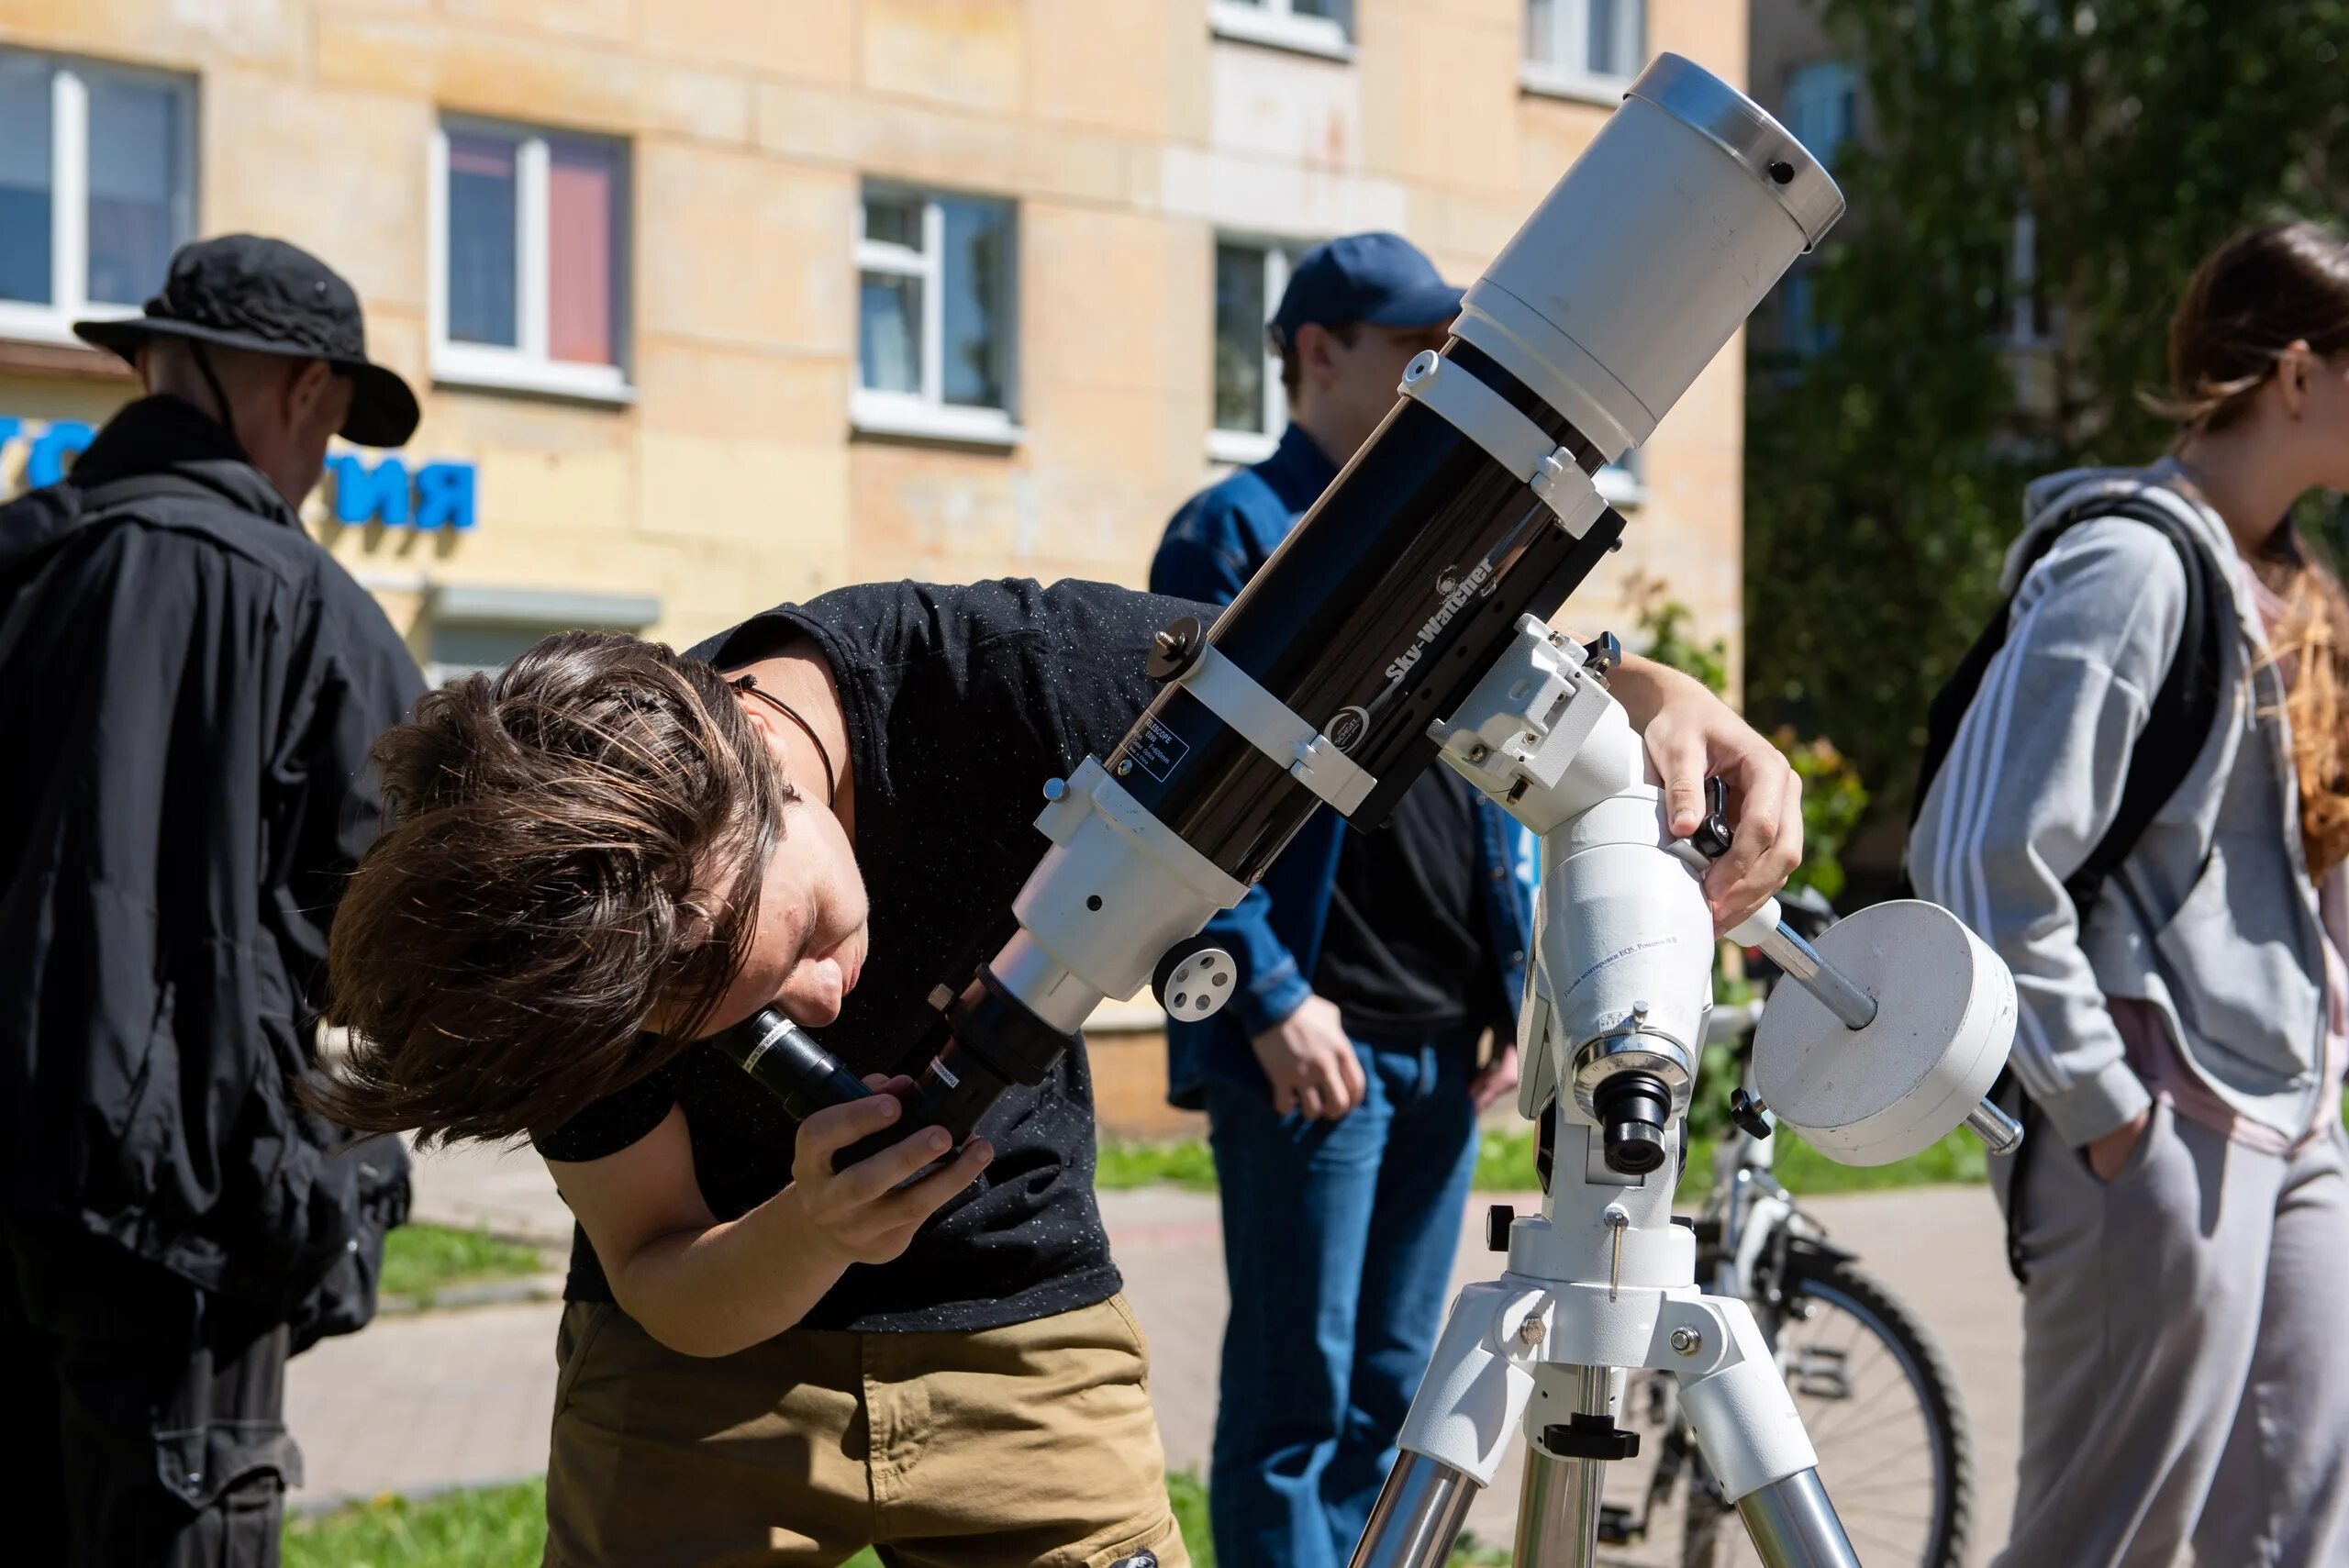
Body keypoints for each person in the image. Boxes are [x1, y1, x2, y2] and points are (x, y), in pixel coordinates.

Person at [313, 567, 1802, 1567]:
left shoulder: (1024, 678)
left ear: (748, 779)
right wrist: (812, 1229)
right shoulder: (563, 935)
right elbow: (656, 1262)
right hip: (706, 1373)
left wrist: (1641, 688)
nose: (831, 1006)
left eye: (808, 944)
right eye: (758, 1017)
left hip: (1023, 1337)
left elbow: (1395, 657)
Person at [1909, 221, 2349, 1568]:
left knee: (2300, 1531)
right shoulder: (2129, 563)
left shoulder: (2307, 593)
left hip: (2292, 1108)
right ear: (2293, 373)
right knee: (2105, 1541)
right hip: (2153, 1107)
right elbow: (1977, 849)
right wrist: (2106, 1110)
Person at [0, 235, 428, 1566]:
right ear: (301, 393)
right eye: (337, 426)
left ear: (150, 368)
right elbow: (406, 933)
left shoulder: (16, 564)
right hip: (185, 1236)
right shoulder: (321, 614)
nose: (325, 463)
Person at [1150, 232, 1531, 1568]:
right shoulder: (1233, 530)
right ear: (1318, 354)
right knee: (1292, 1412)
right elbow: (1171, 786)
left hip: (1443, 1035)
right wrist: (1265, 990)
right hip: (1315, 1040)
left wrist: (1510, 982)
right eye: (1412, 348)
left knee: (1390, 1402)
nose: (1439, 369)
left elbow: (1489, 779)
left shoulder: (1451, 527)